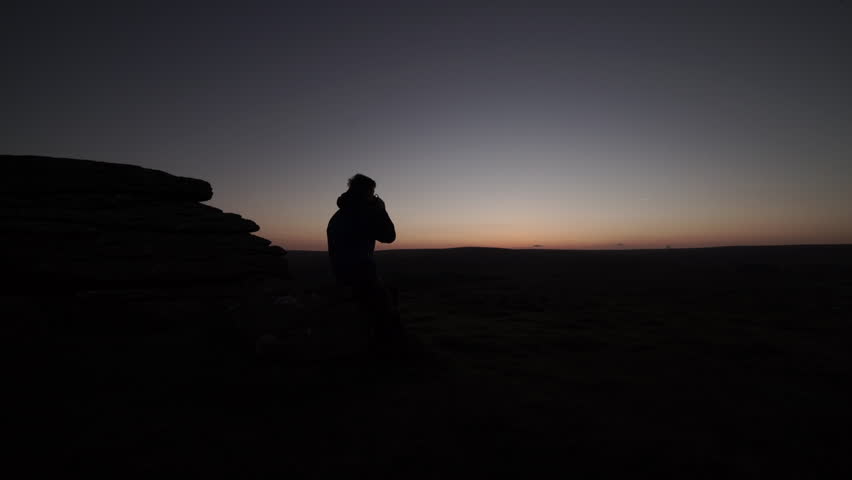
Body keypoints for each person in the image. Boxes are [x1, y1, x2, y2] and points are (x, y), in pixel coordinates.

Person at [327, 174, 402, 353]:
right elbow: (389, 236)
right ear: (367, 193)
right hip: (363, 273)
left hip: (340, 273)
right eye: (372, 193)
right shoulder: (363, 213)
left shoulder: (338, 215)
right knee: (384, 314)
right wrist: (381, 209)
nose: (374, 197)